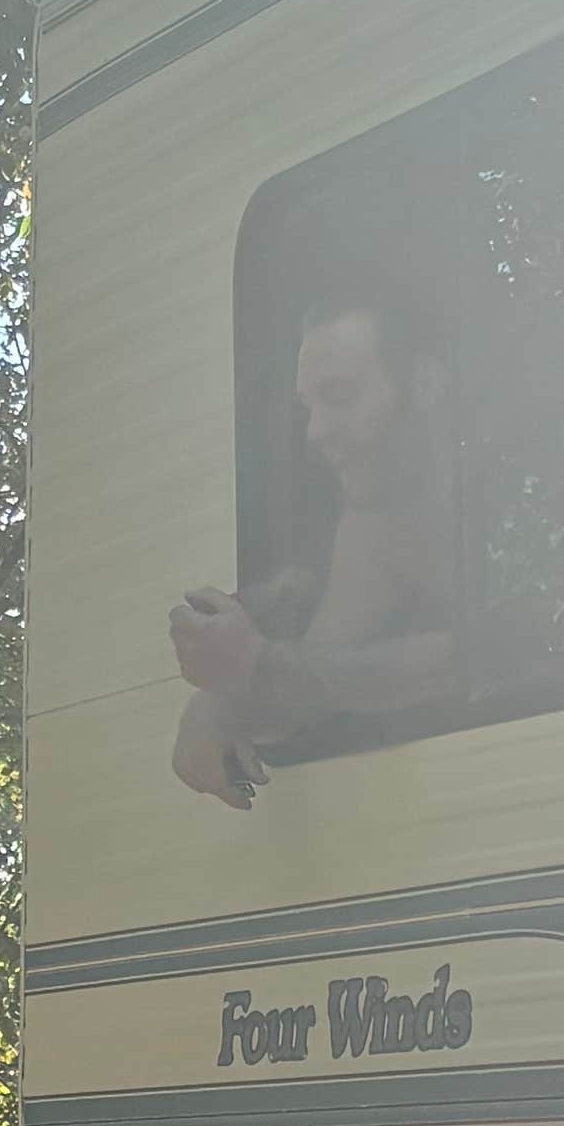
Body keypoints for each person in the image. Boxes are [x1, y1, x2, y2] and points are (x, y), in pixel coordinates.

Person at [167, 281, 462, 807]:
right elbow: (320, 676)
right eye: (309, 405)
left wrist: (254, 668)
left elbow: (468, 659)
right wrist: (223, 701)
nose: (316, 431)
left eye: (341, 397)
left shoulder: (516, 492)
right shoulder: (376, 525)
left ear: (424, 383)